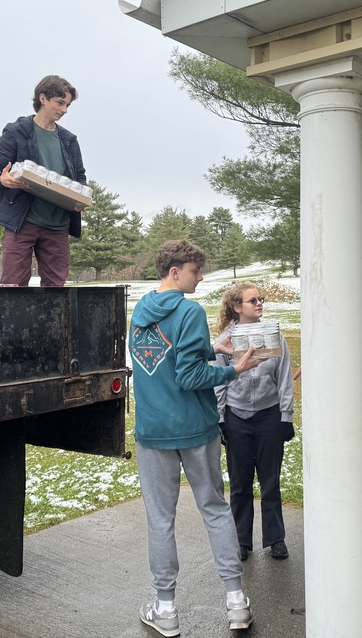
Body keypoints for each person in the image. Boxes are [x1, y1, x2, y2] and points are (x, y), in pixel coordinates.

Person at [128, 240, 259, 637]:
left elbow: (163, 362)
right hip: (195, 429)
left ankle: (165, 608)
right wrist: (233, 369)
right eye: (195, 270)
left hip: (153, 431)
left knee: (160, 520)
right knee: (215, 510)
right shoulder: (189, 311)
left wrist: (208, 349)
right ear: (174, 272)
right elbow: (188, 376)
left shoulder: (139, 311)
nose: (200, 277)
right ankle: (236, 603)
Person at [212, 282, 294, 562]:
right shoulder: (226, 340)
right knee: (240, 482)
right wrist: (221, 419)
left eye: (261, 299)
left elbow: (284, 377)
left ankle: (275, 539)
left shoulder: (273, 335)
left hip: (270, 415)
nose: (260, 303)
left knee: (270, 481)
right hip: (238, 418)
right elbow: (219, 382)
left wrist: (286, 416)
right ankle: (241, 541)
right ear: (237, 308)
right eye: (253, 301)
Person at [0, 75, 85, 287]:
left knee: (57, 291)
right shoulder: (17, 131)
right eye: (60, 103)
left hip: (58, 225)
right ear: (43, 99)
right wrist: (2, 179)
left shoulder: (69, 140)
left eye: (67, 105)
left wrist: (80, 199)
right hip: (22, 222)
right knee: (13, 287)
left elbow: (80, 177)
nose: (64, 110)